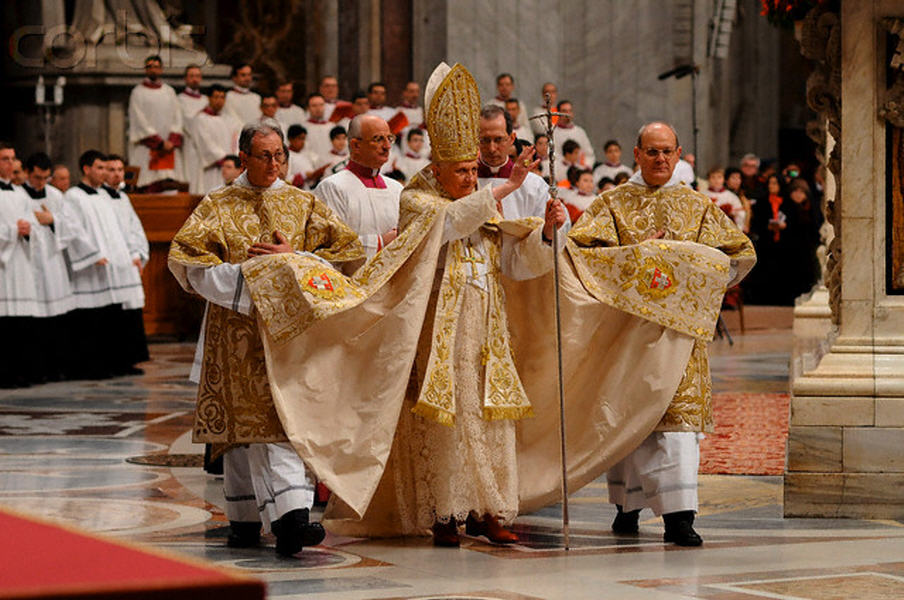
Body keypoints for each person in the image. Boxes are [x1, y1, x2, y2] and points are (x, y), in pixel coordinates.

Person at [168, 122, 365, 557]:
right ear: (242, 157)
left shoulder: (302, 202)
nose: (274, 164)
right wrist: (252, 278)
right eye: (264, 156)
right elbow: (188, 264)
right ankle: (244, 520)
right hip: (236, 330)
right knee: (244, 426)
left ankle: (292, 518)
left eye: (280, 156)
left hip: (290, 336)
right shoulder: (217, 204)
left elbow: (348, 254)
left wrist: (293, 259)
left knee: (283, 421)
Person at [571, 121, 755, 546]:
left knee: (678, 427)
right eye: (651, 152)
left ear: (679, 154)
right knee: (631, 422)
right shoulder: (612, 204)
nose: (660, 159)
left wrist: (695, 272)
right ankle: (626, 505)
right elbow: (582, 255)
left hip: (680, 336)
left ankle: (680, 518)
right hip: (628, 335)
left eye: (667, 151)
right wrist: (638, 256)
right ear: (636, 154)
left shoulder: (697, 206)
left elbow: (739, 254)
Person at [64, 149, 147, 379]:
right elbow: (72, 229)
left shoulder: (103, 196)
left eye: (105, 168)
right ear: (86, 169)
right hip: (91, 267)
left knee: (110, 317)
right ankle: (91, 367)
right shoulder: (73, 196)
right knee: (91, 319)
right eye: (100, 168)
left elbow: (117, 230)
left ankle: (112, 363)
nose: (103, 173)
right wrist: (91, 254)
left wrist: (127, 254)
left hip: (112, 263)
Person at [314, 115, 403, 258]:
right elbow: (329, 247)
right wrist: (380, 242)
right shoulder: (332, 188)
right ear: (356, 145)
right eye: (378, 139)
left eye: (389, 138)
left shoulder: (397, 189)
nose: (387, 146)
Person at [22, 152, 77, 380]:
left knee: (56, 318)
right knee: (32, 321)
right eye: (37, 177)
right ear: (27, 173)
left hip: (53, 262)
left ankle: (56, 368)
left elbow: (72, 226)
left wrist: (52, 220)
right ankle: (34, 369)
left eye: (46, 178)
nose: (41, 183)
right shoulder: (18, 195)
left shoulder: (55, 195)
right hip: (29, 260)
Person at [477, 104, 569, 235]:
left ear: (512, 139)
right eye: (485, 140)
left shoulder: (534, 185)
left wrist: (548, 233)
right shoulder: (465, 182)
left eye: (498, 139)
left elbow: (555, 234)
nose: (492, 148)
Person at [102, 154, 150, 374]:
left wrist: (139, 253)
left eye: (120, 169)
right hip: (112, 262)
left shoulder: (123, 197)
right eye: (112, 169)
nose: (117, 174)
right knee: (114, 313)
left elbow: (135, 228)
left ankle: (130, 360)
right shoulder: (99, 198)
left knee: (130, 312)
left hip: (129, 262)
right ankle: (113, 361)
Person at [0, 142, 41, 387]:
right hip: (3, 264)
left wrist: (28, 231)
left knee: (21, 324)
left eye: (13, 158)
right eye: (5, 158)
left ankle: (21, 372)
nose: (11, 164)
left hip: (20, 262)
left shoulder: (20, 193)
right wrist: (12, 229)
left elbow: (33, 224)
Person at [128, 55, 184, 187]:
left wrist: (171, 140)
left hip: (168, 149)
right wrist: (158, 142)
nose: (153, 70)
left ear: (161, 69)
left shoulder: (169, 92)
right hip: (147, 148)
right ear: (145, 69)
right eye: (150, 67)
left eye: (156, 67)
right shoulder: (137, 93)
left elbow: (177, 117)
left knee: (169, 184)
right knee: (147, 184)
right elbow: (138, 120)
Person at [187, 84, 241, 194]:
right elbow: (205, 143)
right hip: (210, 168)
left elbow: (236, 139)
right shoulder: (200, 119)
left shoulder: (229, 120)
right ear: (209, 98)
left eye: (222, 97)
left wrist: (234, 159)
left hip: (229, 169)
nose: (219, 101)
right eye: (216, 97)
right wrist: (225, 159)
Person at [553, 100, 595, 168]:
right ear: (558, 113)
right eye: (564, 111)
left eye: (570, 111)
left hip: (579, 170)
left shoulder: (580, 132)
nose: (568, 114)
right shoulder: (553, 132)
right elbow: (553, 154)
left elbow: (589, 154)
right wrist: (565, 163)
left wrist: (585, 167)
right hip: (560, 170)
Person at [704, 166, 746, 231]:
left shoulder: (731, 196)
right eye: (713, 177)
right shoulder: (703, 195)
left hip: (727, 229)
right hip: (708, 228)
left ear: (724, 179)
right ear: (708, 179)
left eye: (719, 177)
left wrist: (731, 212)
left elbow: (741, 214)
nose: (716, 180)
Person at [304, 93, 335, 163]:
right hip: (312, 164)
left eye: (321, 105)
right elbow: (305, 150)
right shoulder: (303, 128)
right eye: (314, 106)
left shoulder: (332, 126)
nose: (318, 109)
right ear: (308, 108)